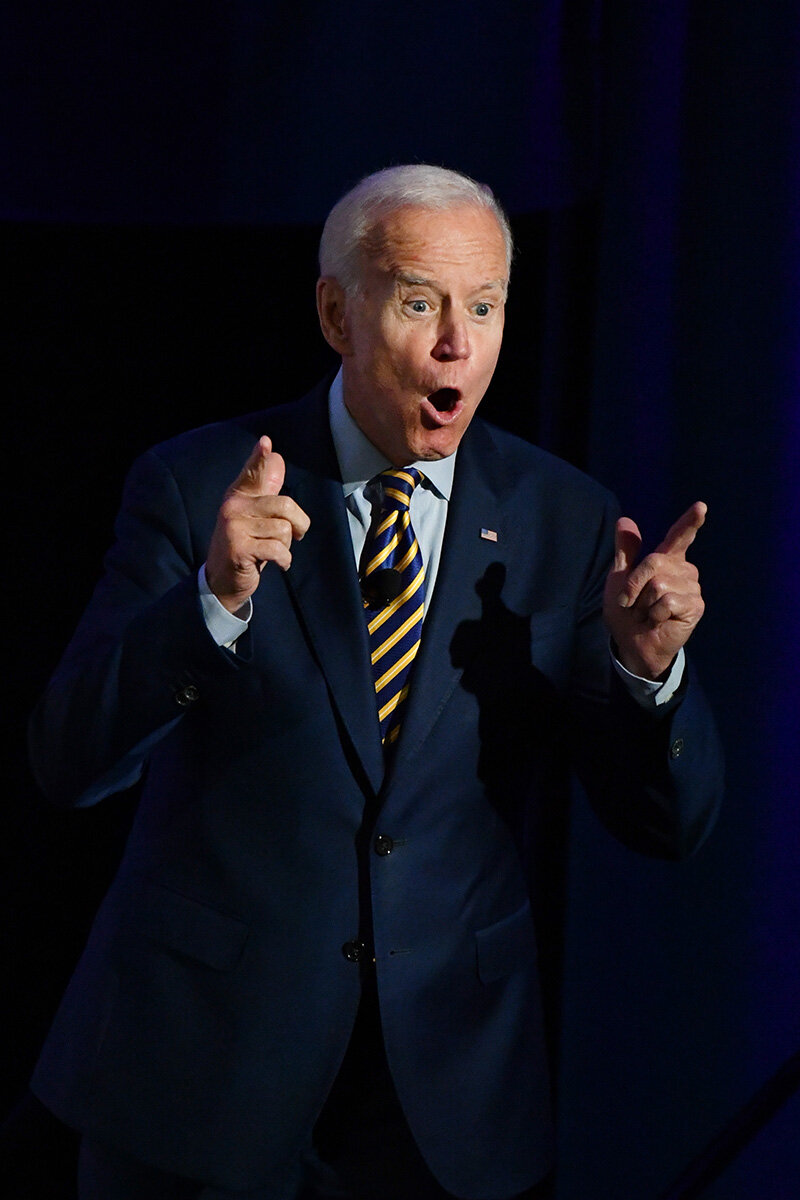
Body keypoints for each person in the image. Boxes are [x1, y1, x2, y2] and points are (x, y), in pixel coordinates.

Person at [28, 165, 723, 1200]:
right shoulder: (195, 485)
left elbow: (668, 825)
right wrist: (211, 603)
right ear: (334, 312)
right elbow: (68, 763)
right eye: (417, 303)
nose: (458, 344)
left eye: (483, 307)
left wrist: (646, 671)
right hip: (198, 1079)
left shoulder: (561, 518)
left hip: (442, 1101)